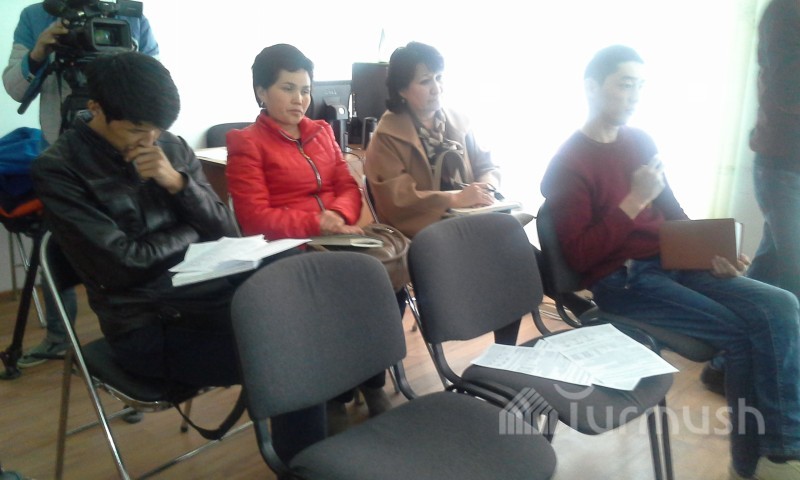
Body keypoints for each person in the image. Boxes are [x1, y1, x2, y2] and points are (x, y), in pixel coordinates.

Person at [30, 51, 323, 461]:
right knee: (291, 350)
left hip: (208, 296)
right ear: (95, 108)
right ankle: (306, 463)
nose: (150, 140)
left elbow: (226, 229)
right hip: (145, 323)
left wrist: (178, 184)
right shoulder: (60, 168)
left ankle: (317, 445)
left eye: (158, 129)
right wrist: (191, 230)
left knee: (303, 296)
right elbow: (123, 265)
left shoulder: (170, 146)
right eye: (137, 130)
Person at [540, 45, 800, 480]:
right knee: (742, 335)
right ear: (591, 87)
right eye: (626, 85)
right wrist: (634, 200)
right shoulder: (568, 164)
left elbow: (673, 212)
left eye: (641, 86)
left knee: (781, 305)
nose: (635, 96)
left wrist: (711, 252)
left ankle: (782, 449)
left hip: (675, 261)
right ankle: (756, 463)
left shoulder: (641, 142)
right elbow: (580, 257)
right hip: (623, 281)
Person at [225, 44, 391, 431]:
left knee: (381, 280)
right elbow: (254, 218)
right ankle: (333, 392)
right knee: (334, 295)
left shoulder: (321, 132)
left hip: (335, 234)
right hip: (288, 247)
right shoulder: (246, 142)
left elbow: (347, 186)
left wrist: (337, 215)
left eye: (305, 90)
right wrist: (316, 223)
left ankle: (371, 381)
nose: (299, 99)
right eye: (287, 88)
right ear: (261, 92)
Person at [3, 1, 158, 369]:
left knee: (123, 248)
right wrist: (39, 51)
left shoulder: (130, 16)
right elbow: (14, 87)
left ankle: (131, 341)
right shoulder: (36, 16)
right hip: (59, 154)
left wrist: (130, 61)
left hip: (120, 154)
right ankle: (59, 338)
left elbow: (155, 86)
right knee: (55, 246)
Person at [364, 41, 501, 239]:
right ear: (402, 90)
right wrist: (454, 200)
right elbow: (399, 201)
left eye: (439, 78)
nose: (436, 88)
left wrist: (485, 190)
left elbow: (488, 166)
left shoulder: (459, 122)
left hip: (471, 221)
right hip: (418, 236)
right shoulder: (387, 136)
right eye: (425, 81)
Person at [748, 0, 800, 302]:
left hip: (787, 166)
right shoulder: (785, 10)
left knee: (770, 269)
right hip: (783, 166)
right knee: (793, 276)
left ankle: (735, 322)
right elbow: (788, 90)